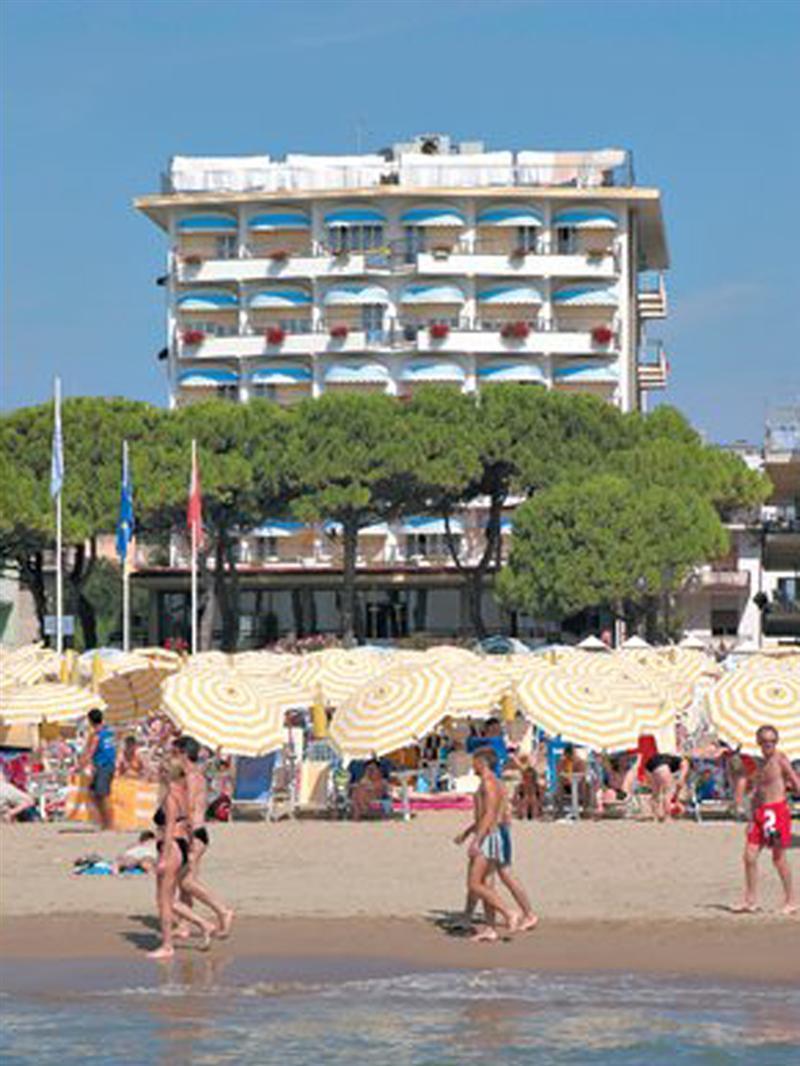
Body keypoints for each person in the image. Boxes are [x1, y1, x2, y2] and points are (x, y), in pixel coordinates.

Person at [455, 747, 538, 943]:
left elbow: (490, 814)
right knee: (488, 882)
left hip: (489, 836)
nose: (472, 765)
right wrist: (467, 832)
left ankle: (509, 913)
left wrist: (477, 840)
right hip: (490, 834)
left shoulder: (489, 783)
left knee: (475, 883)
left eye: (474, 762)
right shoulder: (494, 783)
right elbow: (487, 814)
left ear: (482, 763)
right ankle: (489, 928)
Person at [148, 757, 216, 961]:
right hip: (183, 845)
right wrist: (191, 849)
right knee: (166, 899)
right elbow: (188, 823)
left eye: (161, 770)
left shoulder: (170, 797)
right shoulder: (183, 793)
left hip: (173, 846)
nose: (158, 773)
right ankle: (205, 925)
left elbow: (168, 829)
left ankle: (168, 946)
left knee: (164, 900)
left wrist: (164, 856)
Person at [734, 725, 799, 916]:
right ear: (759, 742)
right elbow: (757, 793)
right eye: (764, 742)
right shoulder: (760, 764)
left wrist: (791, 790)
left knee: (778, 858)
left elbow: (795, 782)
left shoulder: (780, 759)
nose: (768, 745)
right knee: (749, 857)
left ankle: (791, 900)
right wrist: (752, 817)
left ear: (776, 742)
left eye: (772, 741)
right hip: (761, 813)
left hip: (777, 813)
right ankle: (751, 900)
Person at [173, 735, 234, 939]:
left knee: (186, 882)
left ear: (183, 754)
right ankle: (184, 926)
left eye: (175, 753)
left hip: (194, 834)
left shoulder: (191, 777)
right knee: (188, 881)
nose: (172, 757)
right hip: (199, 832)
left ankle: (222, 910)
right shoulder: (196, 775)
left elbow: (190, 809)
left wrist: (187, 839)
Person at [79, 709, 117, 830]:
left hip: (103, 767)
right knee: (95, 794)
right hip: (107, 766)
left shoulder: (96, 735)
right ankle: (104, 822)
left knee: (102, 796)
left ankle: (109, 824)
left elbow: (90, 752)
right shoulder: (108, 733)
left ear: (90, 721)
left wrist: (80, 765)